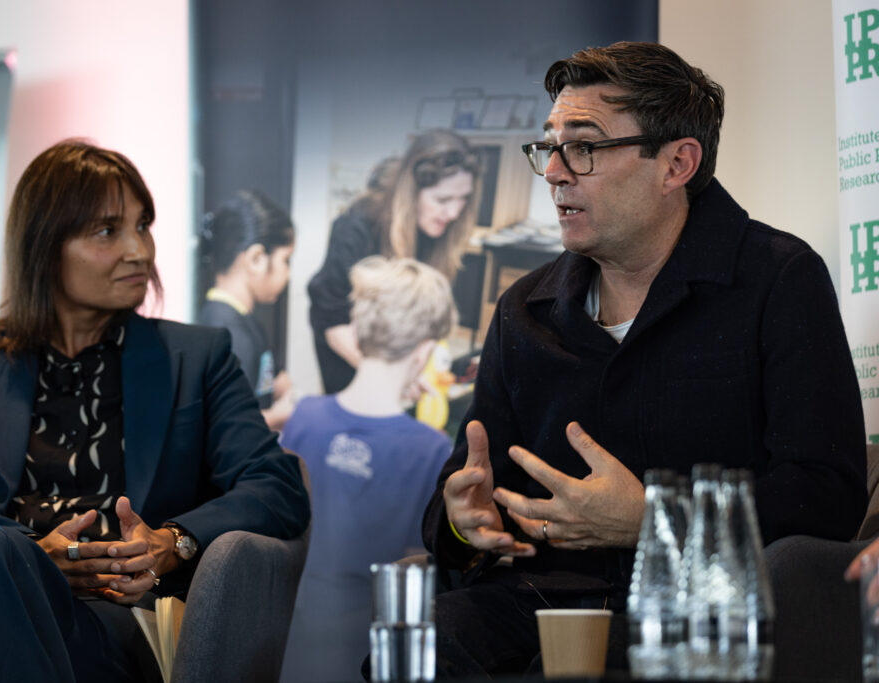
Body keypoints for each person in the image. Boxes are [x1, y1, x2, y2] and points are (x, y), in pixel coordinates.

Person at [422, 41, 867, 677]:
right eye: (550, 146)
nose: (554, 172)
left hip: (694, 611)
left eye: (584, 146)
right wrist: (467, 521)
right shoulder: (524, 308)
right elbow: (455, 498)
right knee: (428, 639)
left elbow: (826, 493)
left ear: (677, 163)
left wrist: (655, 520)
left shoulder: (777, 279)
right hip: (540, 604)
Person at [0, 140, 310, 682]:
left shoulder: (196, 357)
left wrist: (173, 541)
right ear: (45, 245)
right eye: (106, 231)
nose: (139, 251)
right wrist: (27, 554)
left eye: (143, 226)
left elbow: (276, 485)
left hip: (99, 614)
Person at [281, 256, 457, 683]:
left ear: (358, 332)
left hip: (286, 646)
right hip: (368, 657)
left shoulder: (303, 418)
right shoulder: (432, 451)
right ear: (425, 352)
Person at [308, 130, 481, 393]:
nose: (454, 212)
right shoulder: (356, 228)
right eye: (443, 199)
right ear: (411, 193)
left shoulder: (437, 230)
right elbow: (332, 322)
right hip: (347, 352)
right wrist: (386, 379)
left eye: (462, 199)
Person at [199, 189, 296, 430]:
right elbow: (225, 426)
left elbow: (274, 377)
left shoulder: (244, 320)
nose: (289, 273)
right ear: (255, 259)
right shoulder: (227, 332)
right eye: (286, 260)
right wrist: (277, 416)